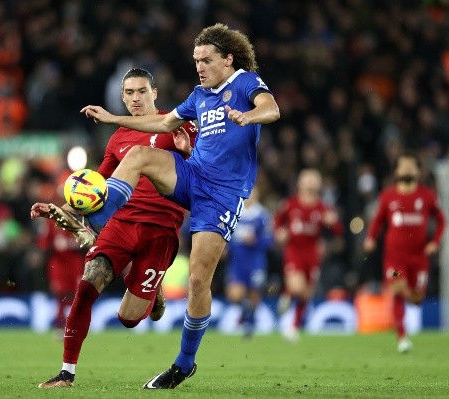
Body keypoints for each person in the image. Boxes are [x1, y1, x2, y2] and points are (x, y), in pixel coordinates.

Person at [78, 23, 280, 389]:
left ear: (227, 59)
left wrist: (247, 116)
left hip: (222, 195)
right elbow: (164, 121)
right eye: (196, 60)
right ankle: (100, 220)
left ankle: (184, 364)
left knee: (198, 281)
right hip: (192, 176)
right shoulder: (199, 95)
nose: (199, 66)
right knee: (141, 152)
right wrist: (112, 118)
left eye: (206, 59)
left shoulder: (245, 83)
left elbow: (272, 109)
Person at [31, 68, 198, 388]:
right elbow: (95, 189)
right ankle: (66, 373)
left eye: (142, 92)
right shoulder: (119, 137)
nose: (136, 98)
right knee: (87, 284)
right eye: (130, 93)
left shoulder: (176, 124)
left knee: (129, 318)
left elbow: (202, 172)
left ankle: (153, 291)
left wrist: (190, 153)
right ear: (122, 96)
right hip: (120, 223)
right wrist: (56, 210)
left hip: (160, 228)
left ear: (155, 93)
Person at [363, 151, 446, 353]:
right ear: (396, 171)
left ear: (418, 171)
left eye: (411, 165)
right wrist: (371, 238)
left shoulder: (427, 196)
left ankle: (408, 305)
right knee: (397, 287)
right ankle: (402, 337)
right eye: (403, 165)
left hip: (419, 259)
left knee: (416, 299)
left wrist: (435, 242)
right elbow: (378, 221)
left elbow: (442, 221)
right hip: (395, 259)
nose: (407, 169)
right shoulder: (388, 196)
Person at [274, 169, 343, 342]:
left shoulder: (322, 208)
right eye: (307, 179)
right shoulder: (290, 204)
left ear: (319, 184)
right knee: (296, 287)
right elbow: (277, 222)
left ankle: (294, 327)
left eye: (314, 179)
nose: (311, 182)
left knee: (306, 294)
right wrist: (280, 233)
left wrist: (333, 222)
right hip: (294, 251)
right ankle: (287, 295)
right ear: (300, 183)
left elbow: (338, 230)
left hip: (312, 254)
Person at [224, 188, 273, 338]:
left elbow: (269, 240)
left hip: (255, 262)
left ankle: (249, 326)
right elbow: (227, 234)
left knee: (254, 294)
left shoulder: (263, 215)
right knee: (234, 294)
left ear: (258, 195)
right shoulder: (234, 212)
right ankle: (245, 310)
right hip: (237, 262)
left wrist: (255, 241)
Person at [36, 218, 84, 337]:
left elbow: (88, 239)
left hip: (74, 261)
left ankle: (75, 326)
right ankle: (60, 327)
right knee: (60, 295)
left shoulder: (78, 218)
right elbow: (43, 242)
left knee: (77, 294)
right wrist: (51, 245)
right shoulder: (50, 221)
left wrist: (70, 243)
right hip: (58, 263)